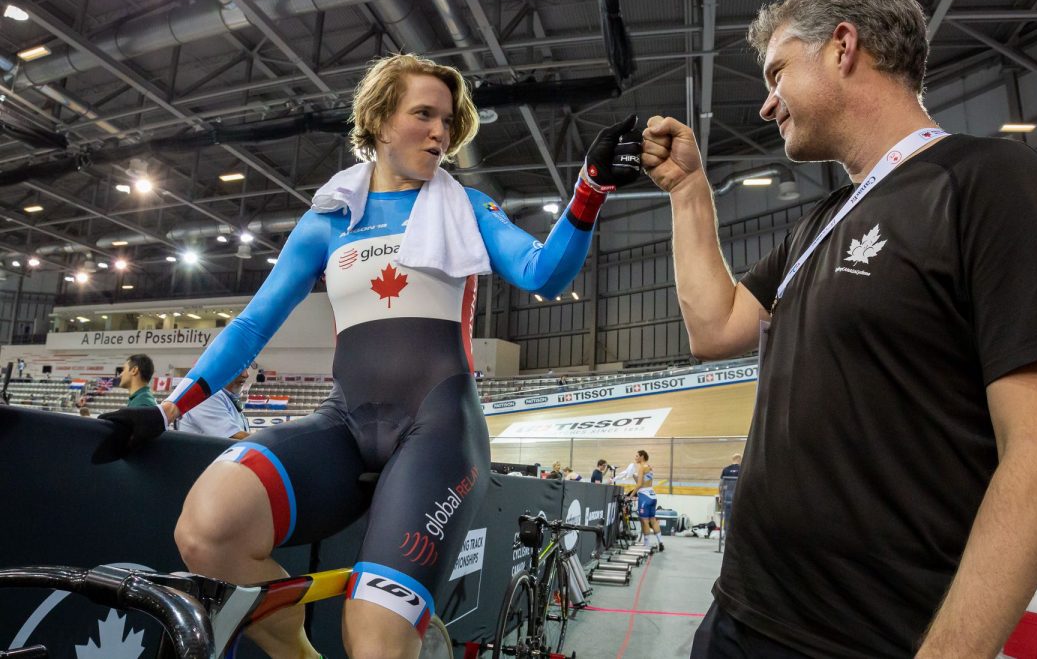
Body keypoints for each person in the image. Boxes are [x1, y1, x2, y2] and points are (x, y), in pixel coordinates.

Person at [98, 52, 641, 659]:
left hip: (438, 430)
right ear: (380, 121)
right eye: (424, 115)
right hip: (344, 423)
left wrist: (588, 191)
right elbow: (252, 326)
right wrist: (169, 411)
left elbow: (542, 273)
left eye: (448, 120)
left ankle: (400, 631)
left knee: (373, 638)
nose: (441, 132)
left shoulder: (467, 206)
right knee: (205, 529)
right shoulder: (328, 220)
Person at [642, 0, 1037, 656]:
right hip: (739, 615)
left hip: (868, 640)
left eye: (777, 72)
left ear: (843, 46)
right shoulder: (818, 224)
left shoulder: (988, 181)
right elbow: (716, 326)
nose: (765, 103)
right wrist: (687, 190)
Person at [177, 367, 250, 439]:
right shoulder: (206, 396)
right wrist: (260, 440)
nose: (246, 375)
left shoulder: (226, 396)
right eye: (240, 368)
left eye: (247, 368)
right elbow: (232, 436)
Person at [629, 450, 662, 551]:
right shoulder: (649, 467)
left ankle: (646, 545)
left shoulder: (641, 468)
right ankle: (661, 542)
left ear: (642, 457)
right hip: (652, 495)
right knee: (653, 520)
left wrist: (631, 495)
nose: (635, 458)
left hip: (644, 496)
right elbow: (644, 482)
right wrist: (634, 476)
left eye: (637, 456)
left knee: (644, 521)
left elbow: (639, 485)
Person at [719, 454, 741, 539]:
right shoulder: (741, 469)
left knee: (727, 516)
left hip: (727, 496)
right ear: (739, 459)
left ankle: (726, 535)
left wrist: (721, 496)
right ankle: (736, 536)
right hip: (737, 497)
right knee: (738, 516)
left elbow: (721, 484)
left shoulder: (726, 469)